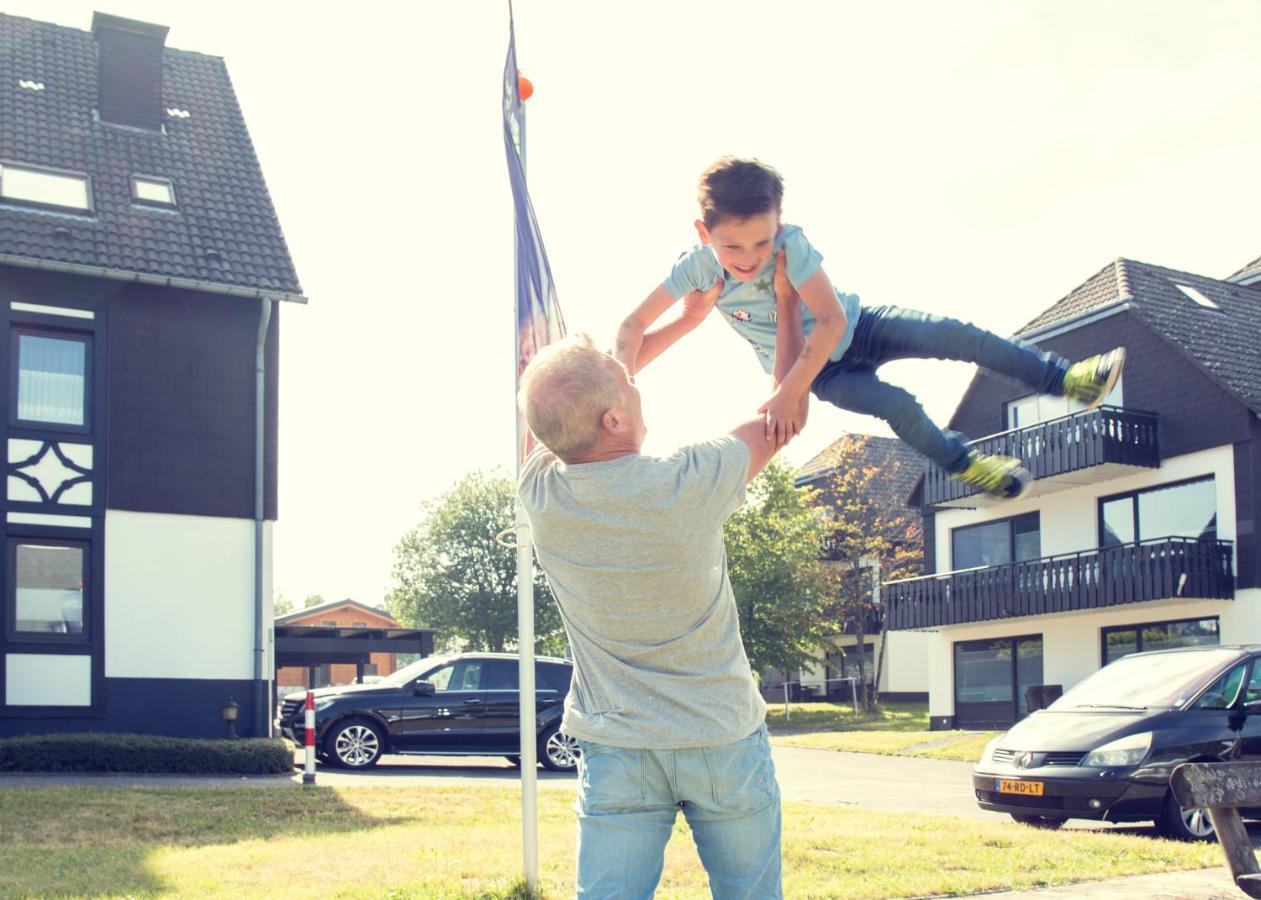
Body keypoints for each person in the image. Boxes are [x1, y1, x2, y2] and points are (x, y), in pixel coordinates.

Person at [614, 156, 1126, 499]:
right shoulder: (697, 269)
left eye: (761, 243)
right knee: (897, 406)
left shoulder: (792, 244)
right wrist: (616, 382)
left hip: (861, 329)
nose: (749, 260)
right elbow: (634, 323)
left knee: (955, 334)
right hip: (828, 376)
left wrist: (789, 389)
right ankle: (966, 466)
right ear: (704, 234)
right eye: (732, 247)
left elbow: (833, 318)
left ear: (778, 221)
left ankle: (1065, 380)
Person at [518, 330, 784, 899]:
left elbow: (560, 417)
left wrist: (669, 326)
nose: (633, 378)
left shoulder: (541, 492)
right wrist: (785, 305)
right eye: (626, 381)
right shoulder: (688, 481)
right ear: (613, 420)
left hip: (617, 747)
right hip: (722, 738)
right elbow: (784, 413)